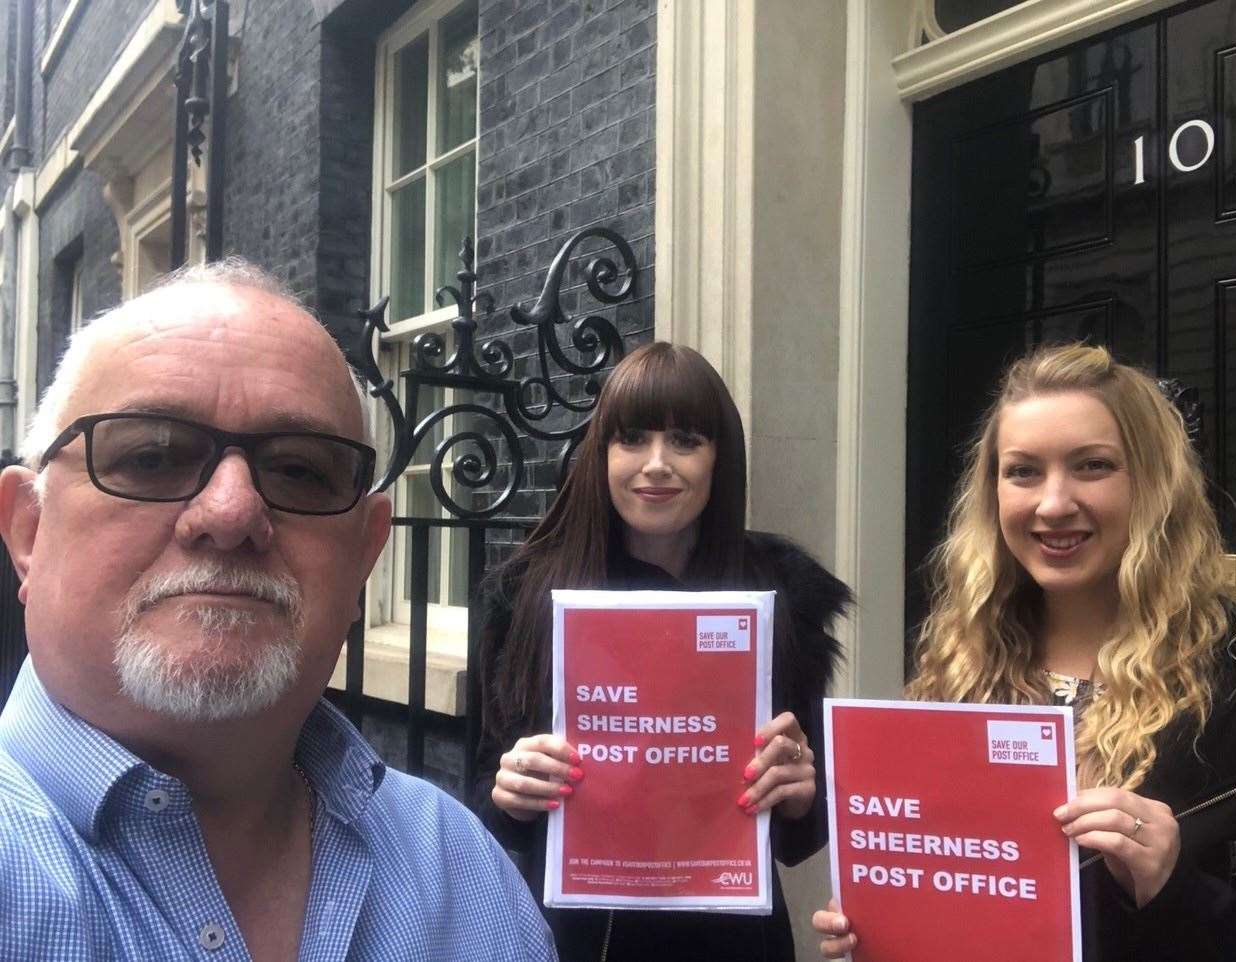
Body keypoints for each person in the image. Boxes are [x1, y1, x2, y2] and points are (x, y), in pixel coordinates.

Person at [0, 259, 556, 961]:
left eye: (299, 470)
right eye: (151, 456)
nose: (231, 512)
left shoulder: (461, 870)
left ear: (364, 557)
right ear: (28, 531)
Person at [812, 344, 1236, 961]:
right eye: (1023, 471)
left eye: (1092, 466)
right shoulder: (957, 664)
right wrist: (887, 919)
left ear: (1154, 485)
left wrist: (1176, 891)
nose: (1053, 503)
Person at [473, 342, 851, 962]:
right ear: (603, 456)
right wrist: (509, 789)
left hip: (732, 940)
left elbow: (796, 834)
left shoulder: (783, 597)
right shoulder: (529, 596)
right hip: (580, 938)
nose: (656, 464)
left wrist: (803, 791)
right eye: (633, 439)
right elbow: (486, 789)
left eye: (684, 440)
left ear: (718, 458)